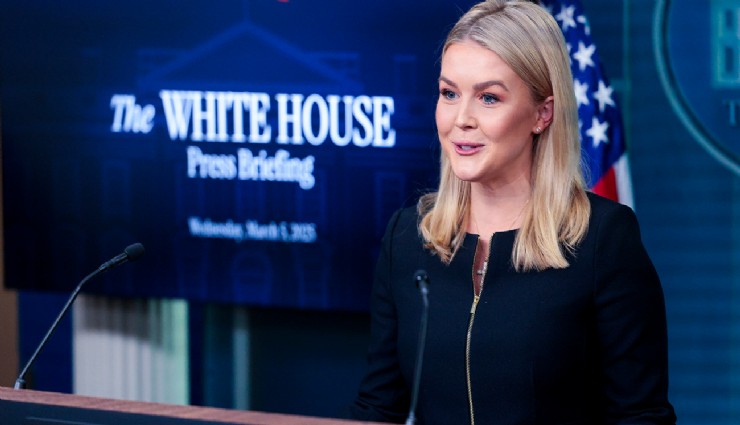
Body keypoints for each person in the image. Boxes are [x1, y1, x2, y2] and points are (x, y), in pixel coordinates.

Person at [349, 0, 676, 424]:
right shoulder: (407, 237)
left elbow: (641, 417)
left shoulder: (603, 239)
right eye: (449, 94)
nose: (461, 119)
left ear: (542, 113)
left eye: (488, 98)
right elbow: (377, 408)